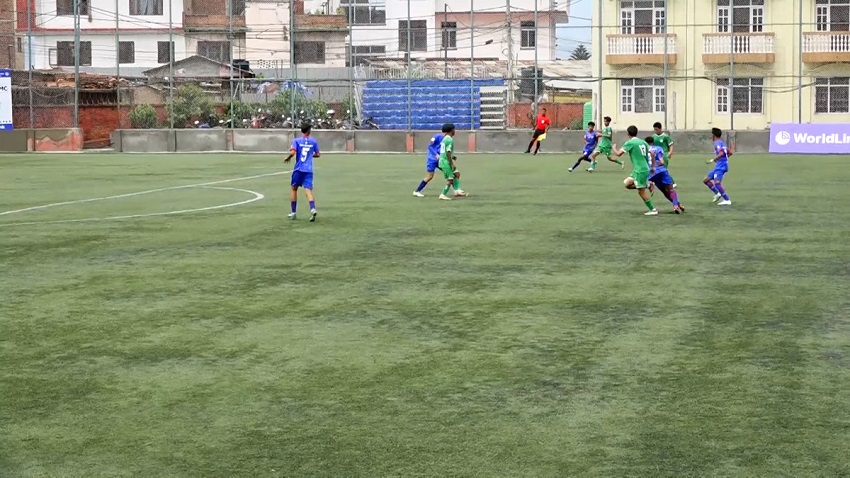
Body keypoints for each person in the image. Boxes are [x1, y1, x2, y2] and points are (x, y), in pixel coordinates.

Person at [613, 125, 658, 216]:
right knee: (627, 184)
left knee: (641, 191)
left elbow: (618, 154)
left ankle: (653, 209)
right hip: (642, 168)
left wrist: (613, 147)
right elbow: (653, 153)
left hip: (640, 170)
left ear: (628, 134)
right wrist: (653, 167)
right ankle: (648, 185)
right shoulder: (643, 142)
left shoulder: (630, 143)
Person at [284, 124, 320, 222]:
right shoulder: (313, 141)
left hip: (299, 169)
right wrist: (310, 155)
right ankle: (312, 209)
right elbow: (318, 154)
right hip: (308, 170)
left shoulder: (296, 141)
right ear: (309, 131)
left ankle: (293, 213)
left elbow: (293, 152)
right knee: (308, 190)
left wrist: (288, 158)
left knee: (294, 188)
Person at [646, 136, 684, 214]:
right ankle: (676, 205)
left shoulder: (645, 151)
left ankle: (678, 204)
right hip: (661, 171)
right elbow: (662, 162)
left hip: (652, 174)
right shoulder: (658, 148)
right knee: (671, 189)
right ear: (653, 142)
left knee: (664, 191)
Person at [413, 125, 451, 197]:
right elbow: (430, 146)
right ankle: (417, 191)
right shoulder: (437, 137)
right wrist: (436, 154)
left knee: (450, 173)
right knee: (430, 176)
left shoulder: (447, 140)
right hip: (432, 159)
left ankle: (457, 190)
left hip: (440, 160)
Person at [438, 123, 467, 200]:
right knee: (450, 179)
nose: (455, 131)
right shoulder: (449, 139)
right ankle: (442, 195)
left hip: (444, 160)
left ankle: (457, 191)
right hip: (445, 162)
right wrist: (451, 163)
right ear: (451, 130)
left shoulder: (445, 138)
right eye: (454, 129)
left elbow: (445, 151)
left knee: (457, 174)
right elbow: (448, 152)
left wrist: (452, 156)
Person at [704, 127, 732, 206]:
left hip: (721, 167)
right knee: (706, 180)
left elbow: (721, 153)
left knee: (717, 183)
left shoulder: (717, 143)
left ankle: (727, 200)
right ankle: (718, 193)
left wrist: (713, 160)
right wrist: (724, 159)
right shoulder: (722, 143)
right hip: (721, 165)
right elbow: (729, 153)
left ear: (714, 135)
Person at [652, 122, 676, 187]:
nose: (655, 131)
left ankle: (672, 182)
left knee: (663, 169)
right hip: (656, 155)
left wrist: (670, 153)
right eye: (654, 129)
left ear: (660, 129)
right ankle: (656, 182)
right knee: (656, 168)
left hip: (664, 155)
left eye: (656, 129)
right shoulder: (654, 136)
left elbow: (670, 145)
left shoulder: (665, 136)